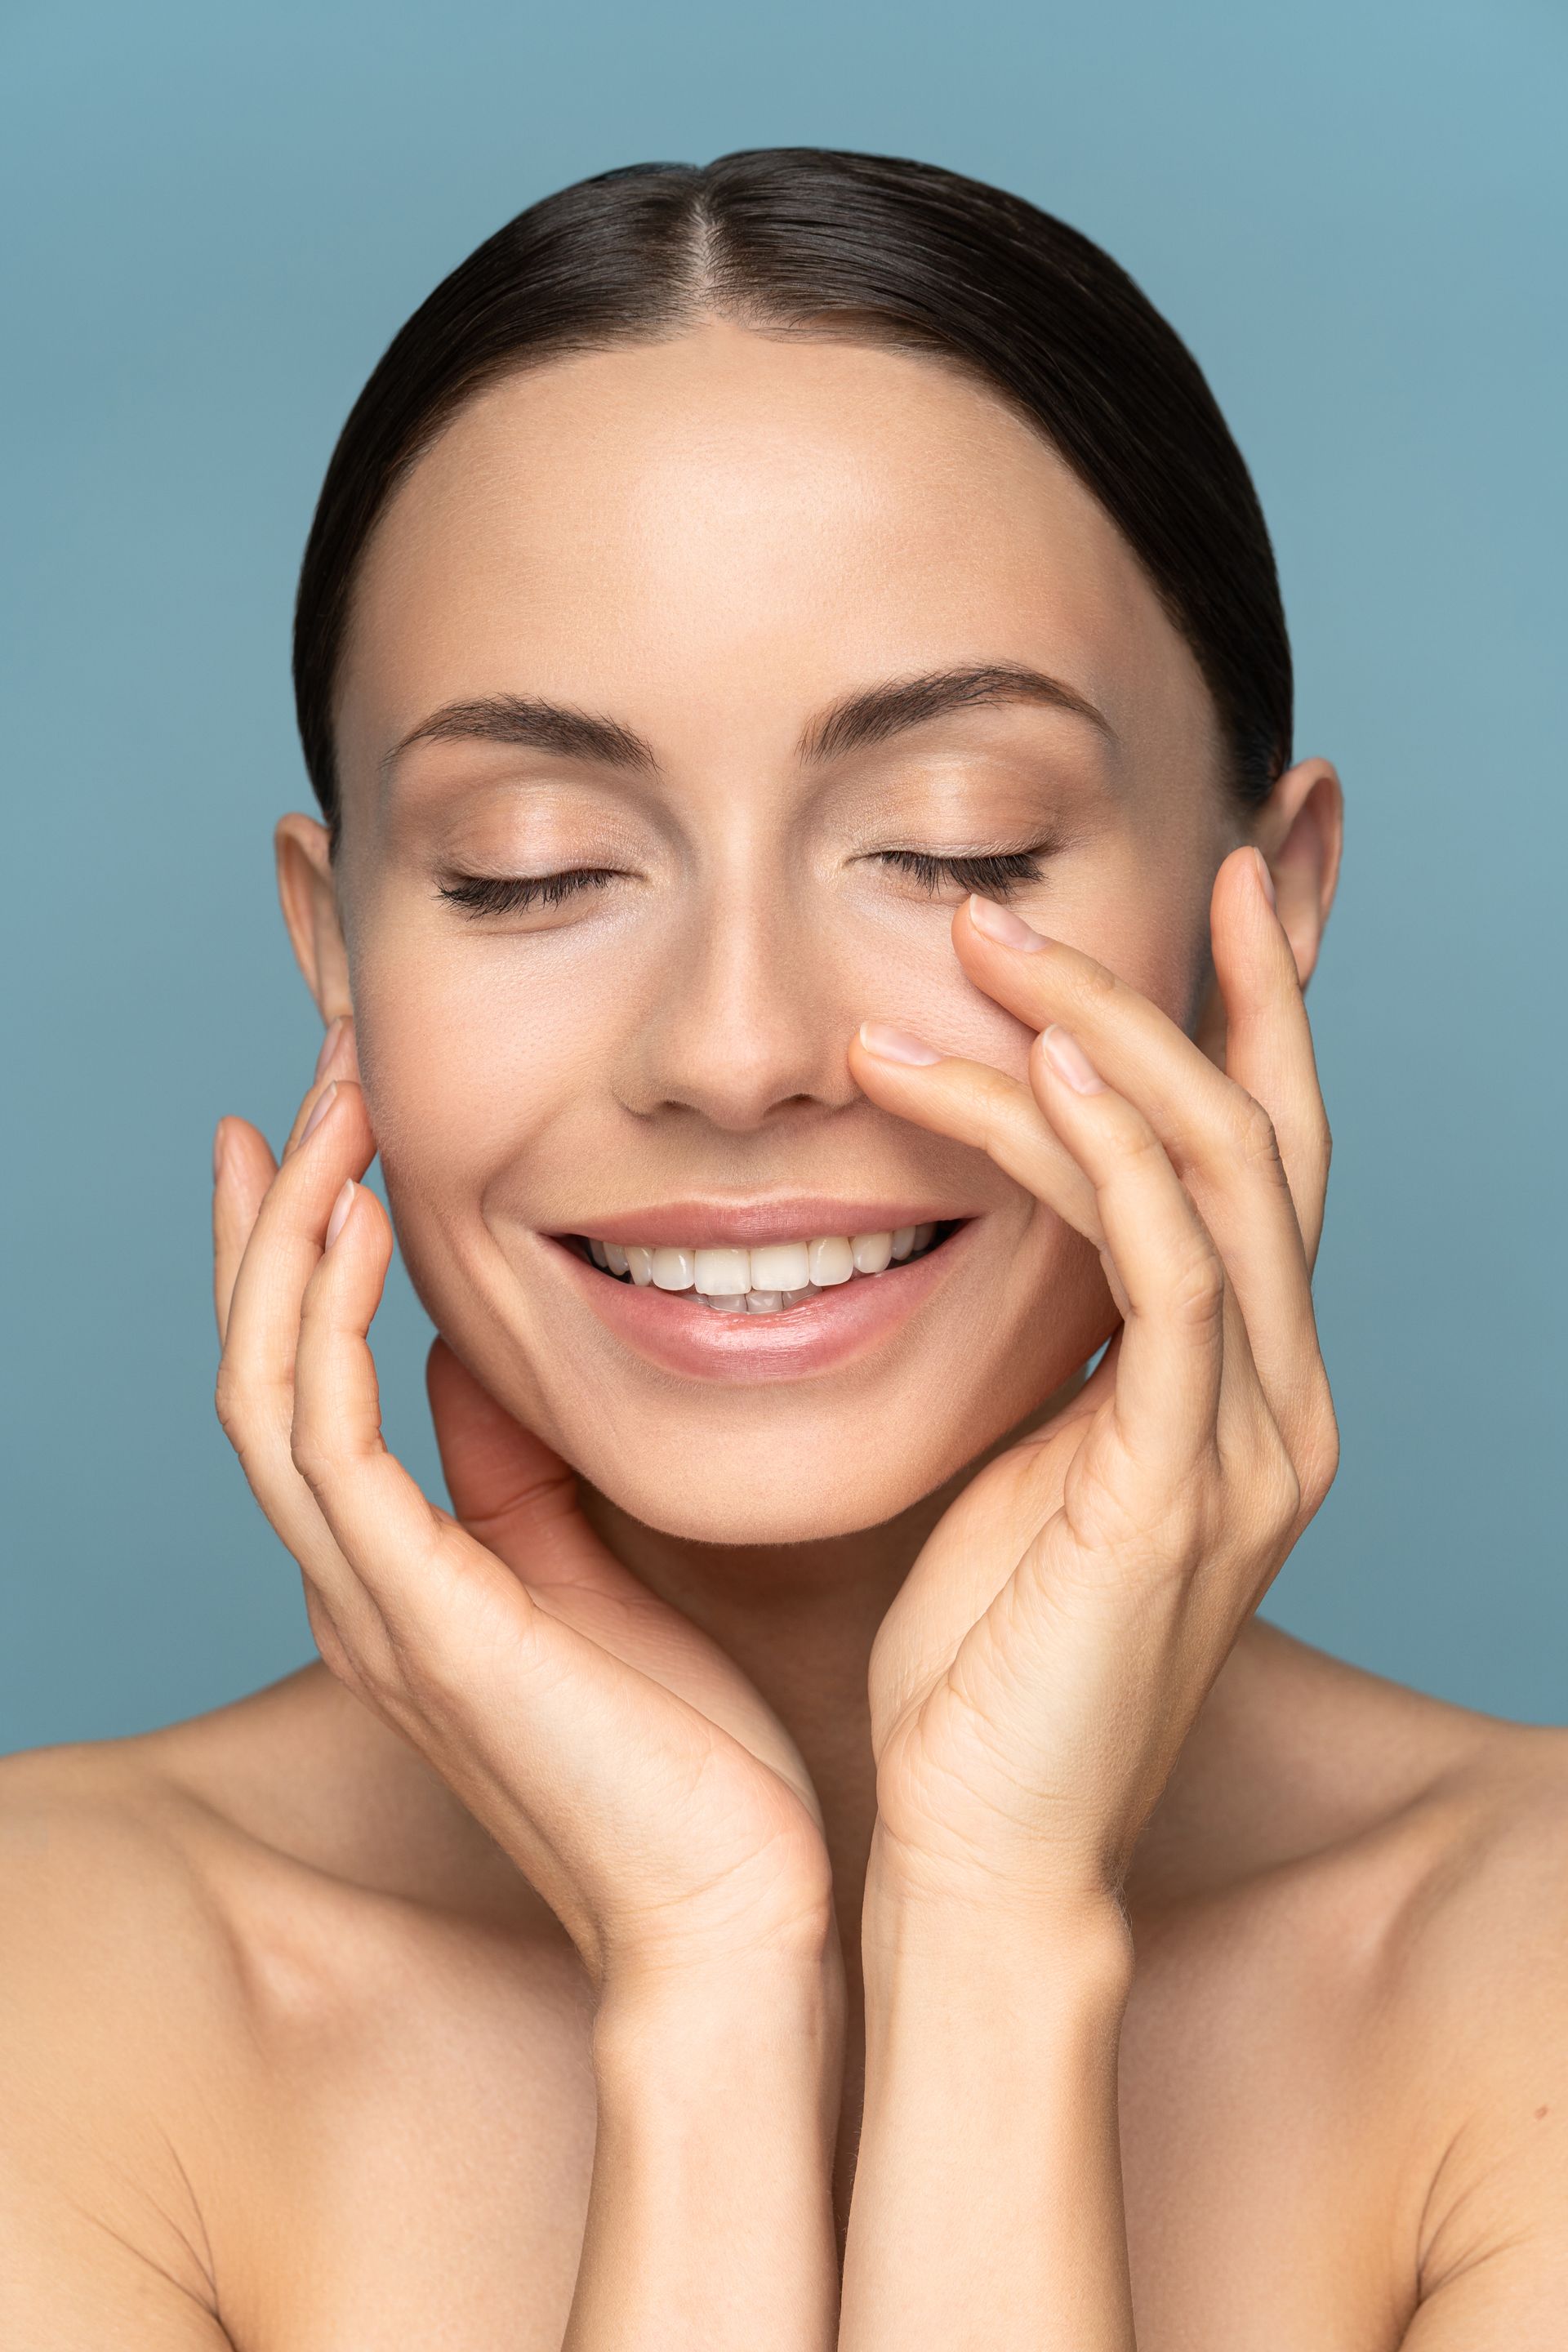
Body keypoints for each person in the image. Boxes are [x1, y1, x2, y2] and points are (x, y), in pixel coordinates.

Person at [2, 146, 1564, 2348]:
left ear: (1266, 920)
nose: (736, 1052)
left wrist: (996, 1930)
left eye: (954, 845)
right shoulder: (45, 1990)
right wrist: (712, 1981)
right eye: (532, 869)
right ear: (336, 952)